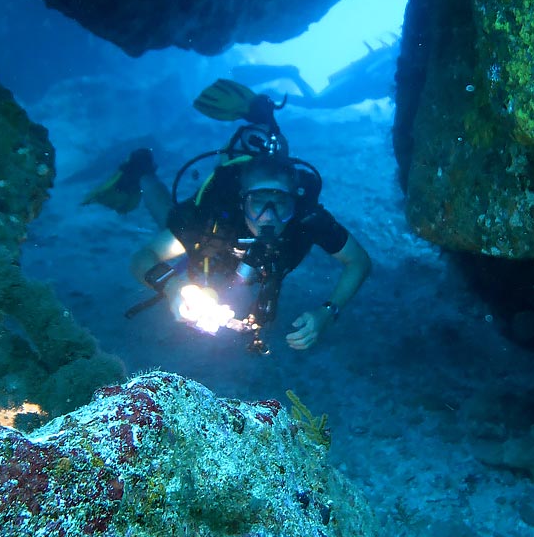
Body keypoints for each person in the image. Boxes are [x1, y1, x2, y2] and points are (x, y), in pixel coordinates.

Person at [83, 80, 371, 351]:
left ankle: (264, 119)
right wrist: (173, 286)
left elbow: (358, 261)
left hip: (268, 181)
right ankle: (142, 169)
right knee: (170, 220)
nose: (268, 217)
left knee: (274, 150)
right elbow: (143, 258)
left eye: (280, 204)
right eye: (258, 203)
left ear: (295, 203)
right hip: (216, 218)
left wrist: (328, 312)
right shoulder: (213, 218)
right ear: (241, 202)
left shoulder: (308, 220)